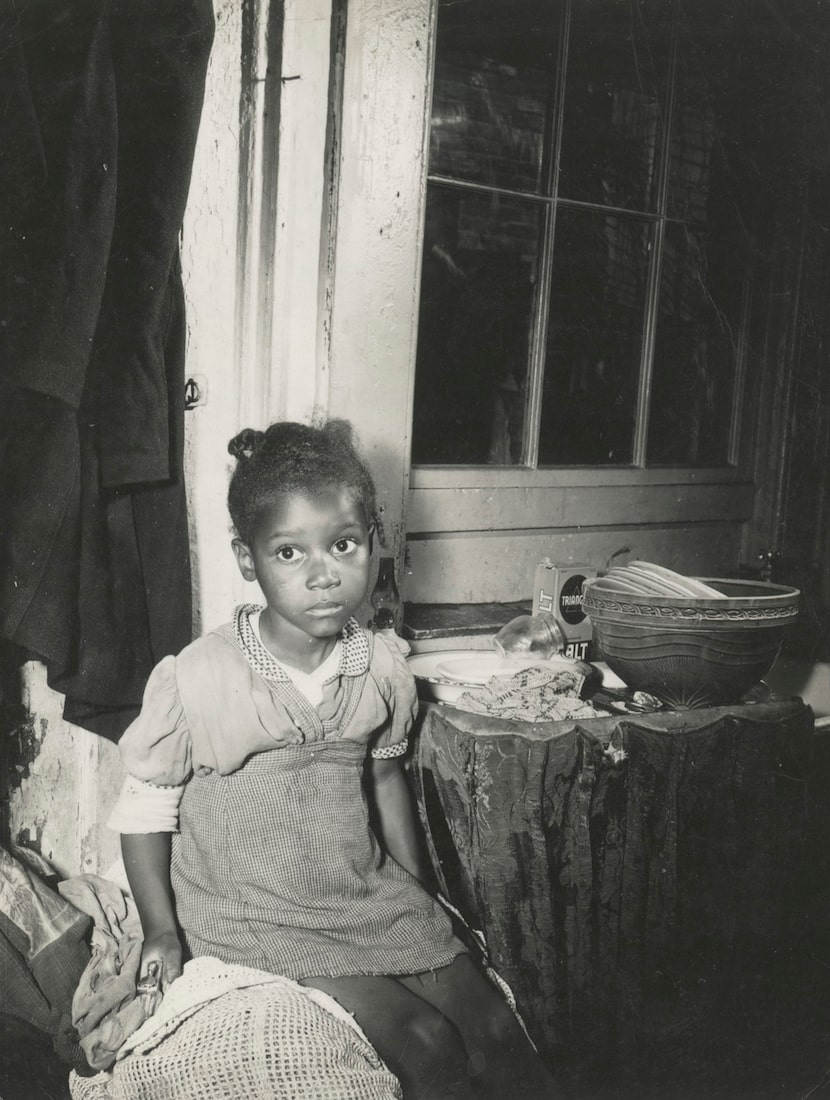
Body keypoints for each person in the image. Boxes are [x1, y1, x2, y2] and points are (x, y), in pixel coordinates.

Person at [108, 419, 555, 1099]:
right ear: (247, 557)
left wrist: (419, 893)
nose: (322, 576)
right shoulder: (199, 676)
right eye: (290, 553)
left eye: (343, 545)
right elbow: (145, 807)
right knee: (424, 1043)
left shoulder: (378, 665)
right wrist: (160, 930)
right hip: (253, 908)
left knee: (498, 1035)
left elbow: (383, 779)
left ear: (375, 544)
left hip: (358, 893)